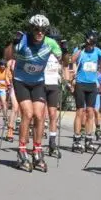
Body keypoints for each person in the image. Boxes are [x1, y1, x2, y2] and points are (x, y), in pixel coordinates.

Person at [4, 14, 63, 171]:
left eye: (43, 30)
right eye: (37, 29)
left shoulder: (50, 43)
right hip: (21, 80)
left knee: (39, 116)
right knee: (28, 114)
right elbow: (8, 57)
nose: (40, 33)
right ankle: (22, 150)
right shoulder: (23, 40)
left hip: (38, 82)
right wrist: (13, 43)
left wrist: (65, 51)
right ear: (31, 29)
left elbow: (64, 60)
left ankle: (37, 150)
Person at [70, 31, 101, 152]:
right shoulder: (81, 50)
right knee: (80, 111)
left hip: (92, 85)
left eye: (93, 44)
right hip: (80, 83)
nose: (91, 46)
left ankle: (89, 139)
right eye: (89, 44)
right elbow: (72, 60)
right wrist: (80, 49)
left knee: (90, 112)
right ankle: (76, 139)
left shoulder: (97, 51)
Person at [44, 26, 69, 155]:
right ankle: (35, 145)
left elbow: (65, 64)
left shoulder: (58, 51)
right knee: (40, 115)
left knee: (53, 115)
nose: (54, 42)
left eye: (56, 40)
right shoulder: (42, 49)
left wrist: (65, 51)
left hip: (53, 84)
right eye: (52, 39)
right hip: (41, 83)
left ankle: (52, 143)